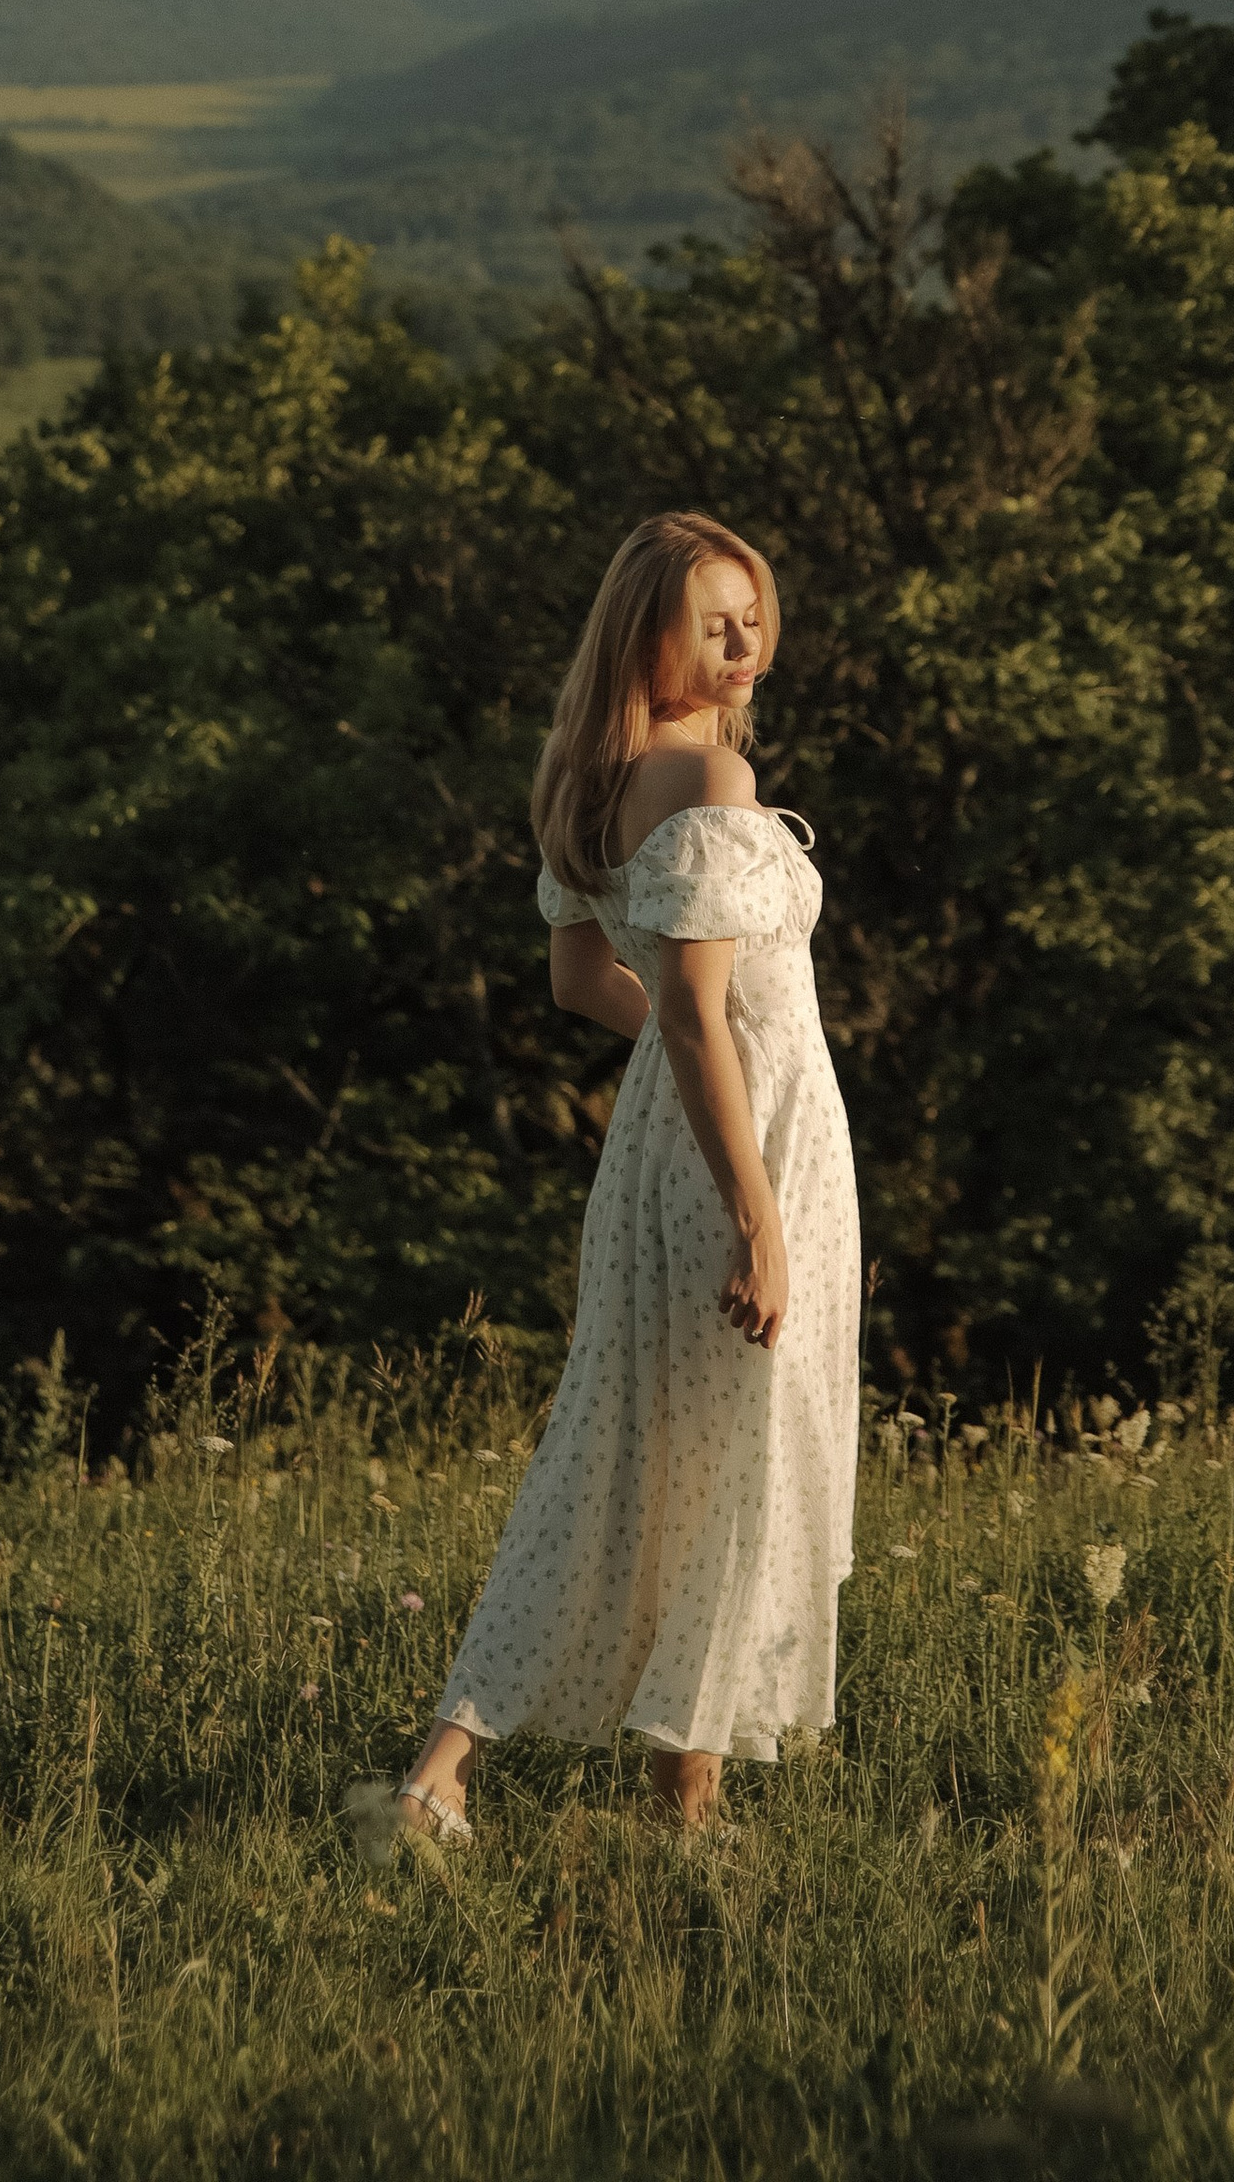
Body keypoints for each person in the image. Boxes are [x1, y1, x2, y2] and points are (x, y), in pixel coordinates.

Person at [393, 510, 860, 1839]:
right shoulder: (709, 783)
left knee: (629, 1454)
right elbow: (702, 1013)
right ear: (646, 633)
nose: (742, 643)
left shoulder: (586, 773)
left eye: (753, 617)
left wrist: (690, 1050)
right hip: (747, 1143)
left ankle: (464, 1780)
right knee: (739, 1459)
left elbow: (582, 980)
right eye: (711, 623)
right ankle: (671, 1807)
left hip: (666, 1141)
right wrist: (757, 1214)